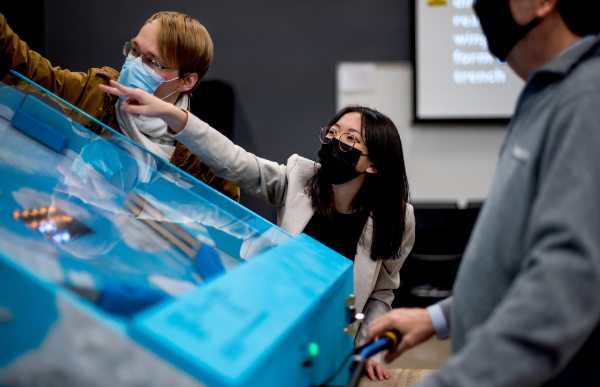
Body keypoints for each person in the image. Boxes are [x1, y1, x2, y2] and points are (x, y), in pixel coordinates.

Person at [97, 79, 415, 381]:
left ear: (373, 165)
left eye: (350, 139)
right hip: (270, 325)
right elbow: (233, 160)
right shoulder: (298, 177)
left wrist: (370, 349)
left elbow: (382, 293)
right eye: (332, 133)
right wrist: (173, 115)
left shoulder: (398, 218)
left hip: (332, 343)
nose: (335, 143)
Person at [364, 0, 600, 386]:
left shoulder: (584, 98)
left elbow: (563, 287)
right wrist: (435, 319)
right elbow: (518, 265)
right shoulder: (549, 95)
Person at [0, 11, 240, 201]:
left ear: (186, 81)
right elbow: (29, 70)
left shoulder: (201, 159)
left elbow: (225, 229)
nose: (133, 64)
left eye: (152, 61)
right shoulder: (101, 94)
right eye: (134, 50)